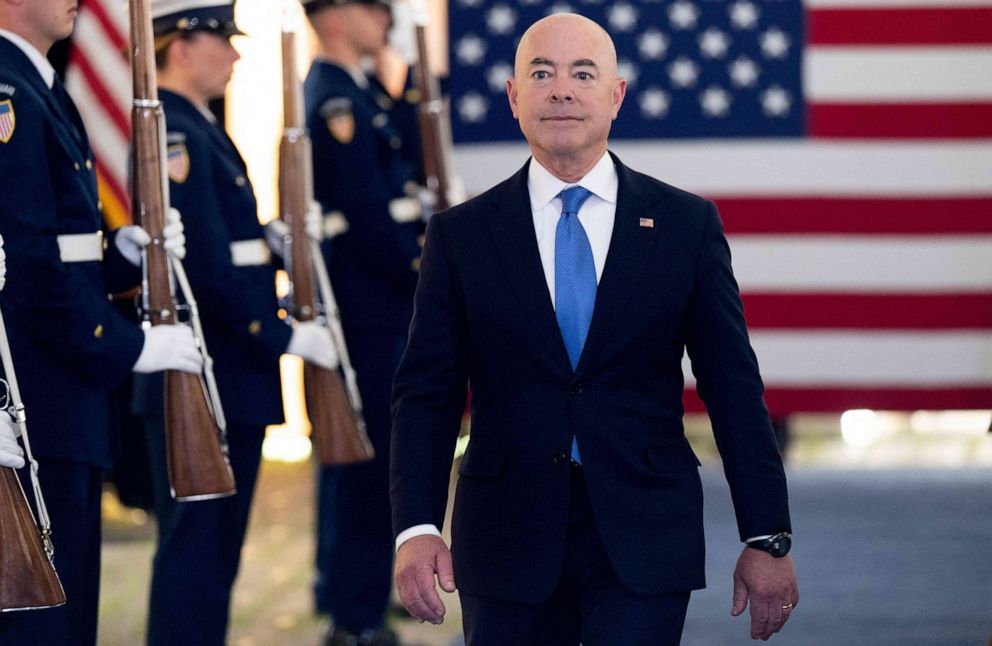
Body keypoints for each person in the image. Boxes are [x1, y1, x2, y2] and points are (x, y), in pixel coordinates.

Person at [391, 13, 799, 645]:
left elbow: (732, 386)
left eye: (583, 74)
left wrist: (766, 533)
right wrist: (416, 528)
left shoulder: (686, 226)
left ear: (616, 96)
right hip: (507, 539)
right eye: (541, 74)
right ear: (513, 96)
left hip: (645, 534)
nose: (561, 90)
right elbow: (427, 394)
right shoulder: (461, 236)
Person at [0, 2, 200, 643]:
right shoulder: (8, 90)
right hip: (42, 395)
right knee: (45, 615)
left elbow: (66, 250)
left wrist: (124, 253)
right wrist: (130, 345)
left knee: (73, 607)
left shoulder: (39, 82)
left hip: (67, 394)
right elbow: (28, 267)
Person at [140, 2, 336, 644]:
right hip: (211, 372)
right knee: (198, 548)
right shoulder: (175, 133)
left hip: (231, 372)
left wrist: (269, 242)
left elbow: (231, 246)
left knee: (217, 549)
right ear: (181, 45)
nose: (234, 54)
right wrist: (280, 335)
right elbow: (205, 268)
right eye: (221, 41)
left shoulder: (200, 126)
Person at [301, 1, 425, 644]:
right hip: (367, 299)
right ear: (336, 15)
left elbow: (402, 155)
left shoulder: (362, 90)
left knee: (370, 451)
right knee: (367, 456)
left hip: (378, 298)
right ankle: (354, 613)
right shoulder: (333, 98)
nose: (386, 19)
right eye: (374, 8)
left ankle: (359, 587)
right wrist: (419, 267)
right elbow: (365, 207)